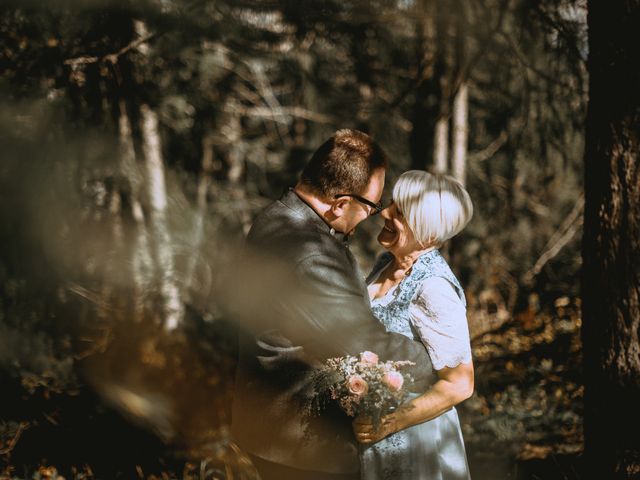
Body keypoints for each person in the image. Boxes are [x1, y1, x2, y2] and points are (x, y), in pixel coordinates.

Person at [230, 131, 437, 480]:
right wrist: (435, 362)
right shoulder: (309, 254)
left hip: (268, 424)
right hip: (301, 443)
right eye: (370, 207)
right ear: (340, 203)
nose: (373, 215)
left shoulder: (278, 214)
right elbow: (364, 342)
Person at [353, 170, 474, 479]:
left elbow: (460, 384)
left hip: (415, 440)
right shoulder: (386, 263)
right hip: (374, 434)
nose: (386, 212)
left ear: (429, 235)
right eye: (393, 203)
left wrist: (391, 422)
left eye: (401, 213)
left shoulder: (434, 288)